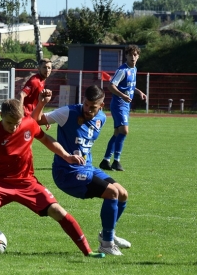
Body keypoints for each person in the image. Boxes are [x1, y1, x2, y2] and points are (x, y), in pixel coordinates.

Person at [0, 98, 105, 258]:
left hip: (27, 182)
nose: (14, 127)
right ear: (1, 115)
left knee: (57, 211)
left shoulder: (29, 124)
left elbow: (46, 139)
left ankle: (88, 251)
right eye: (9, 123)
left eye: (17, 123)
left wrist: (66, 155)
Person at [31, 85, 131, 256]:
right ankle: (106, 244)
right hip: (66, 172)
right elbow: (35, 121)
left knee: (122, 194)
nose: (87, 109)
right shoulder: (68, 112)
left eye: (93, 107)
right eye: (86, 104)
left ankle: (109, 235)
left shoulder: (102, 118)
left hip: (87, 167)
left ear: (101, 106)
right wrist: (42, 103)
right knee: (112, 193)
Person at [99, 45, 147, 171]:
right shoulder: (122, 70)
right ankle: (117, 161)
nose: (133, 57)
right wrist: (123, 96)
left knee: (117, 133)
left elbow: (129, 87)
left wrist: (139, 92)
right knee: (124, 131)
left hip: (125, 105)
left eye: (135, 55)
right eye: (130, 55)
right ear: (126, 56)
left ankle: (106, 160)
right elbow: (111, 86)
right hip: (119, 104)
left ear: (138, 56)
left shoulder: (134, 69)